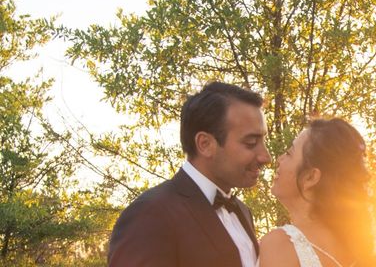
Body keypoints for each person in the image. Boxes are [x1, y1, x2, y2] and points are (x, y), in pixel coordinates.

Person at [108, 81, 272, 267]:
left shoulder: (242, 211)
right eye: (251, 143)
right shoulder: (150, 215)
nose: (266, 157)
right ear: (205, 144)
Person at [258, 118, 376, 267]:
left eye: (289, 153)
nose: (279, 160)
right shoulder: (354, 251)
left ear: (310, 177)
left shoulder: (280, 243)